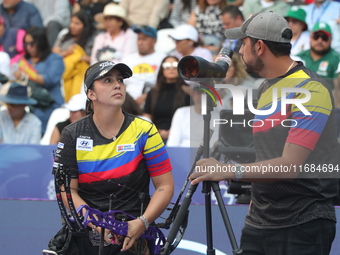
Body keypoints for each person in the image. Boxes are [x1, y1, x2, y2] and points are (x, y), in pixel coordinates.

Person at [189, 12, 340, 255]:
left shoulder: (310, 89)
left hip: (303, 223)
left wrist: (228, 171)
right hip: (260, 220)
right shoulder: (265, 86)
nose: (239, 51)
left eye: (243, 43)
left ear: (259, 47)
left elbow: (289, 166)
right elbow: (266, 154)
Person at [52, 60, 174, 254]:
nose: (117, 84)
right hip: (86, 235)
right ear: (91, 94)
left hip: (133, 235)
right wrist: (96, 223)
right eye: (107, 80)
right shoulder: (72, 133)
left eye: (120, 80)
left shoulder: (145, 130)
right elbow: (67, 191)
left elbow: (165, 185)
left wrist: (142, 222)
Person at [14, 26, 65, 135]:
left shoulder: (55, 59)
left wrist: (26, 73)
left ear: (41, 43)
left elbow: (49, 80)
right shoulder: (25, 60)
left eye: (32, 44)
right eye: (26, 44)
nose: (28, 47)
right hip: (28, 102)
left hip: (48, 104)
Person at [143, 55, 191, 143]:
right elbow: (147, 116)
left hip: (180, 136)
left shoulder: (188, 92)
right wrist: (155, 132)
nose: (171, 68)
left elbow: (190, 119)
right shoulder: (153, 92)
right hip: (154, 135)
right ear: (162, 69)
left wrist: (171, 133)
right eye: (167, 66)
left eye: (175, 65)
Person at [53, 10, 97, 102]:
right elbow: (54, 53)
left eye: (77, 23)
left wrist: (79, 57)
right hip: (64, 66)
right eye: (72, 22)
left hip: (82, 69)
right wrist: (66, 53)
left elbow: (96, 58)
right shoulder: (64, 35)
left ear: (85, 26)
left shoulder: (92, 39)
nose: (72, 26)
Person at [121, 25, 166, 105]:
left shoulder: (163, 58)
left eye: (144, 39)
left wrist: (147, 96)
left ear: (154, 41)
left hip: (154, 99)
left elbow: (165, 84)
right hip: (127, 101)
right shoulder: (127, 59)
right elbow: (120, 83)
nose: (140, 42)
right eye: (139, 39)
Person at [297, 22, 340, 90]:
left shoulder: (337, 60)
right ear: (310, 37)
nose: (320, 40)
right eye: (316, 36)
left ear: (331, 40)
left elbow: (337, 88)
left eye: (324, 38)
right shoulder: (299, 57)